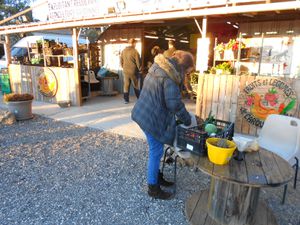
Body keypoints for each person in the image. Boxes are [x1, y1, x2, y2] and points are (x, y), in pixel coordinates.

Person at [131, 50, 195, 200]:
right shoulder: (170, 78)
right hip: (150, 118)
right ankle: (153, 188)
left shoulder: (158, 67)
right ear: (182, 67)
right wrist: (187, 120)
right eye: (187, 71)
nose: (186, 75)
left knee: (157, 151)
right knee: (156, 151)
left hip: (143, 112)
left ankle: (156, 177)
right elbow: (175, 105)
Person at [120, 38, 141, 104]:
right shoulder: (135, 51)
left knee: (126, 85)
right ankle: (139, 99)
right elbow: (138, 62)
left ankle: (126, 100)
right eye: (135, 43)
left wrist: (123, 67)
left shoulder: (123, 51)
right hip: (133, 71)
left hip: (125, 71)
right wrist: (140, 69)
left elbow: (121, 61)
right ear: (134, 43)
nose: (135, 45)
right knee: (135, 85)